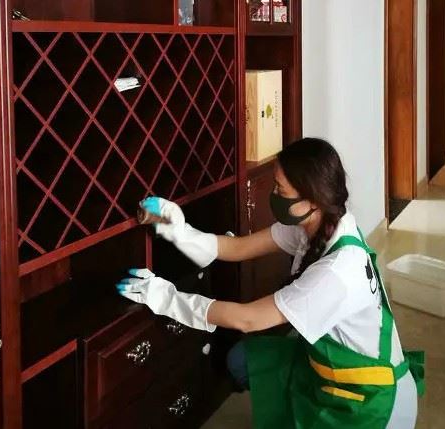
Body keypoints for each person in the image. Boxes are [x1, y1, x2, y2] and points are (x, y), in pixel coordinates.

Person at [116, 138, 424, 428]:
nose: (273, 195)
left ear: (312, 198)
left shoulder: (336, 272)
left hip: (373, 400)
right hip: (333, 369)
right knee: (241, 361)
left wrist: (167, 299)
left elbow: (247, 319)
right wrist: (180, 232)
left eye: (280, 189)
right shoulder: (317, 223)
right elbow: (237, 248)